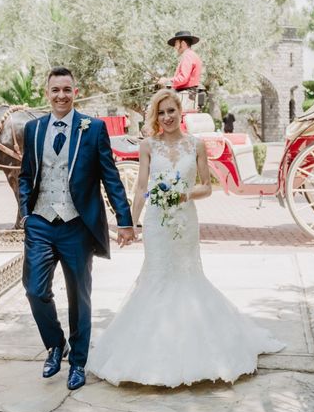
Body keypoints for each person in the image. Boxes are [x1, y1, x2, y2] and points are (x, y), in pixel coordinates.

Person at [86, 89, 283, 387]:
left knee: (188, 276)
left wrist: (182, 194)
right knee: (156, 277)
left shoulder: (197, 145)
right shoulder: (149, 147)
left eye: (171, 111)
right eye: (161, 113)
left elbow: (207, 186)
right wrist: (131, 224)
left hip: (185, 221)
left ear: (181, 113)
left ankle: (203, 348)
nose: (166, 117)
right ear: (156, 116)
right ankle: (149, 353)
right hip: (156, 223)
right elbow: (140, 188)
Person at [18, 66, 135, 391]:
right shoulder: (34, 129)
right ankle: (56, 344)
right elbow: (26, 175)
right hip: (41, 222)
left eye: (67, 89)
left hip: (77, 225)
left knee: (79, 297)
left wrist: (124, 219)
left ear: (75, 92)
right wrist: (26, 214)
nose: (61, 95)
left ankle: (78, 362)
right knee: (35, 290)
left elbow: (110, 176)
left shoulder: (93, 128)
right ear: (47, 93)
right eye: (55, 90)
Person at [158, 30, 203, 111]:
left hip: (185, 97)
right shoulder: (193, 55)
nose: (175, 47)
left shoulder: (187, 56)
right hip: (190, 96)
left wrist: (166, 80)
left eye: (176, 43)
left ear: (182, 43)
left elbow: (183, 78)